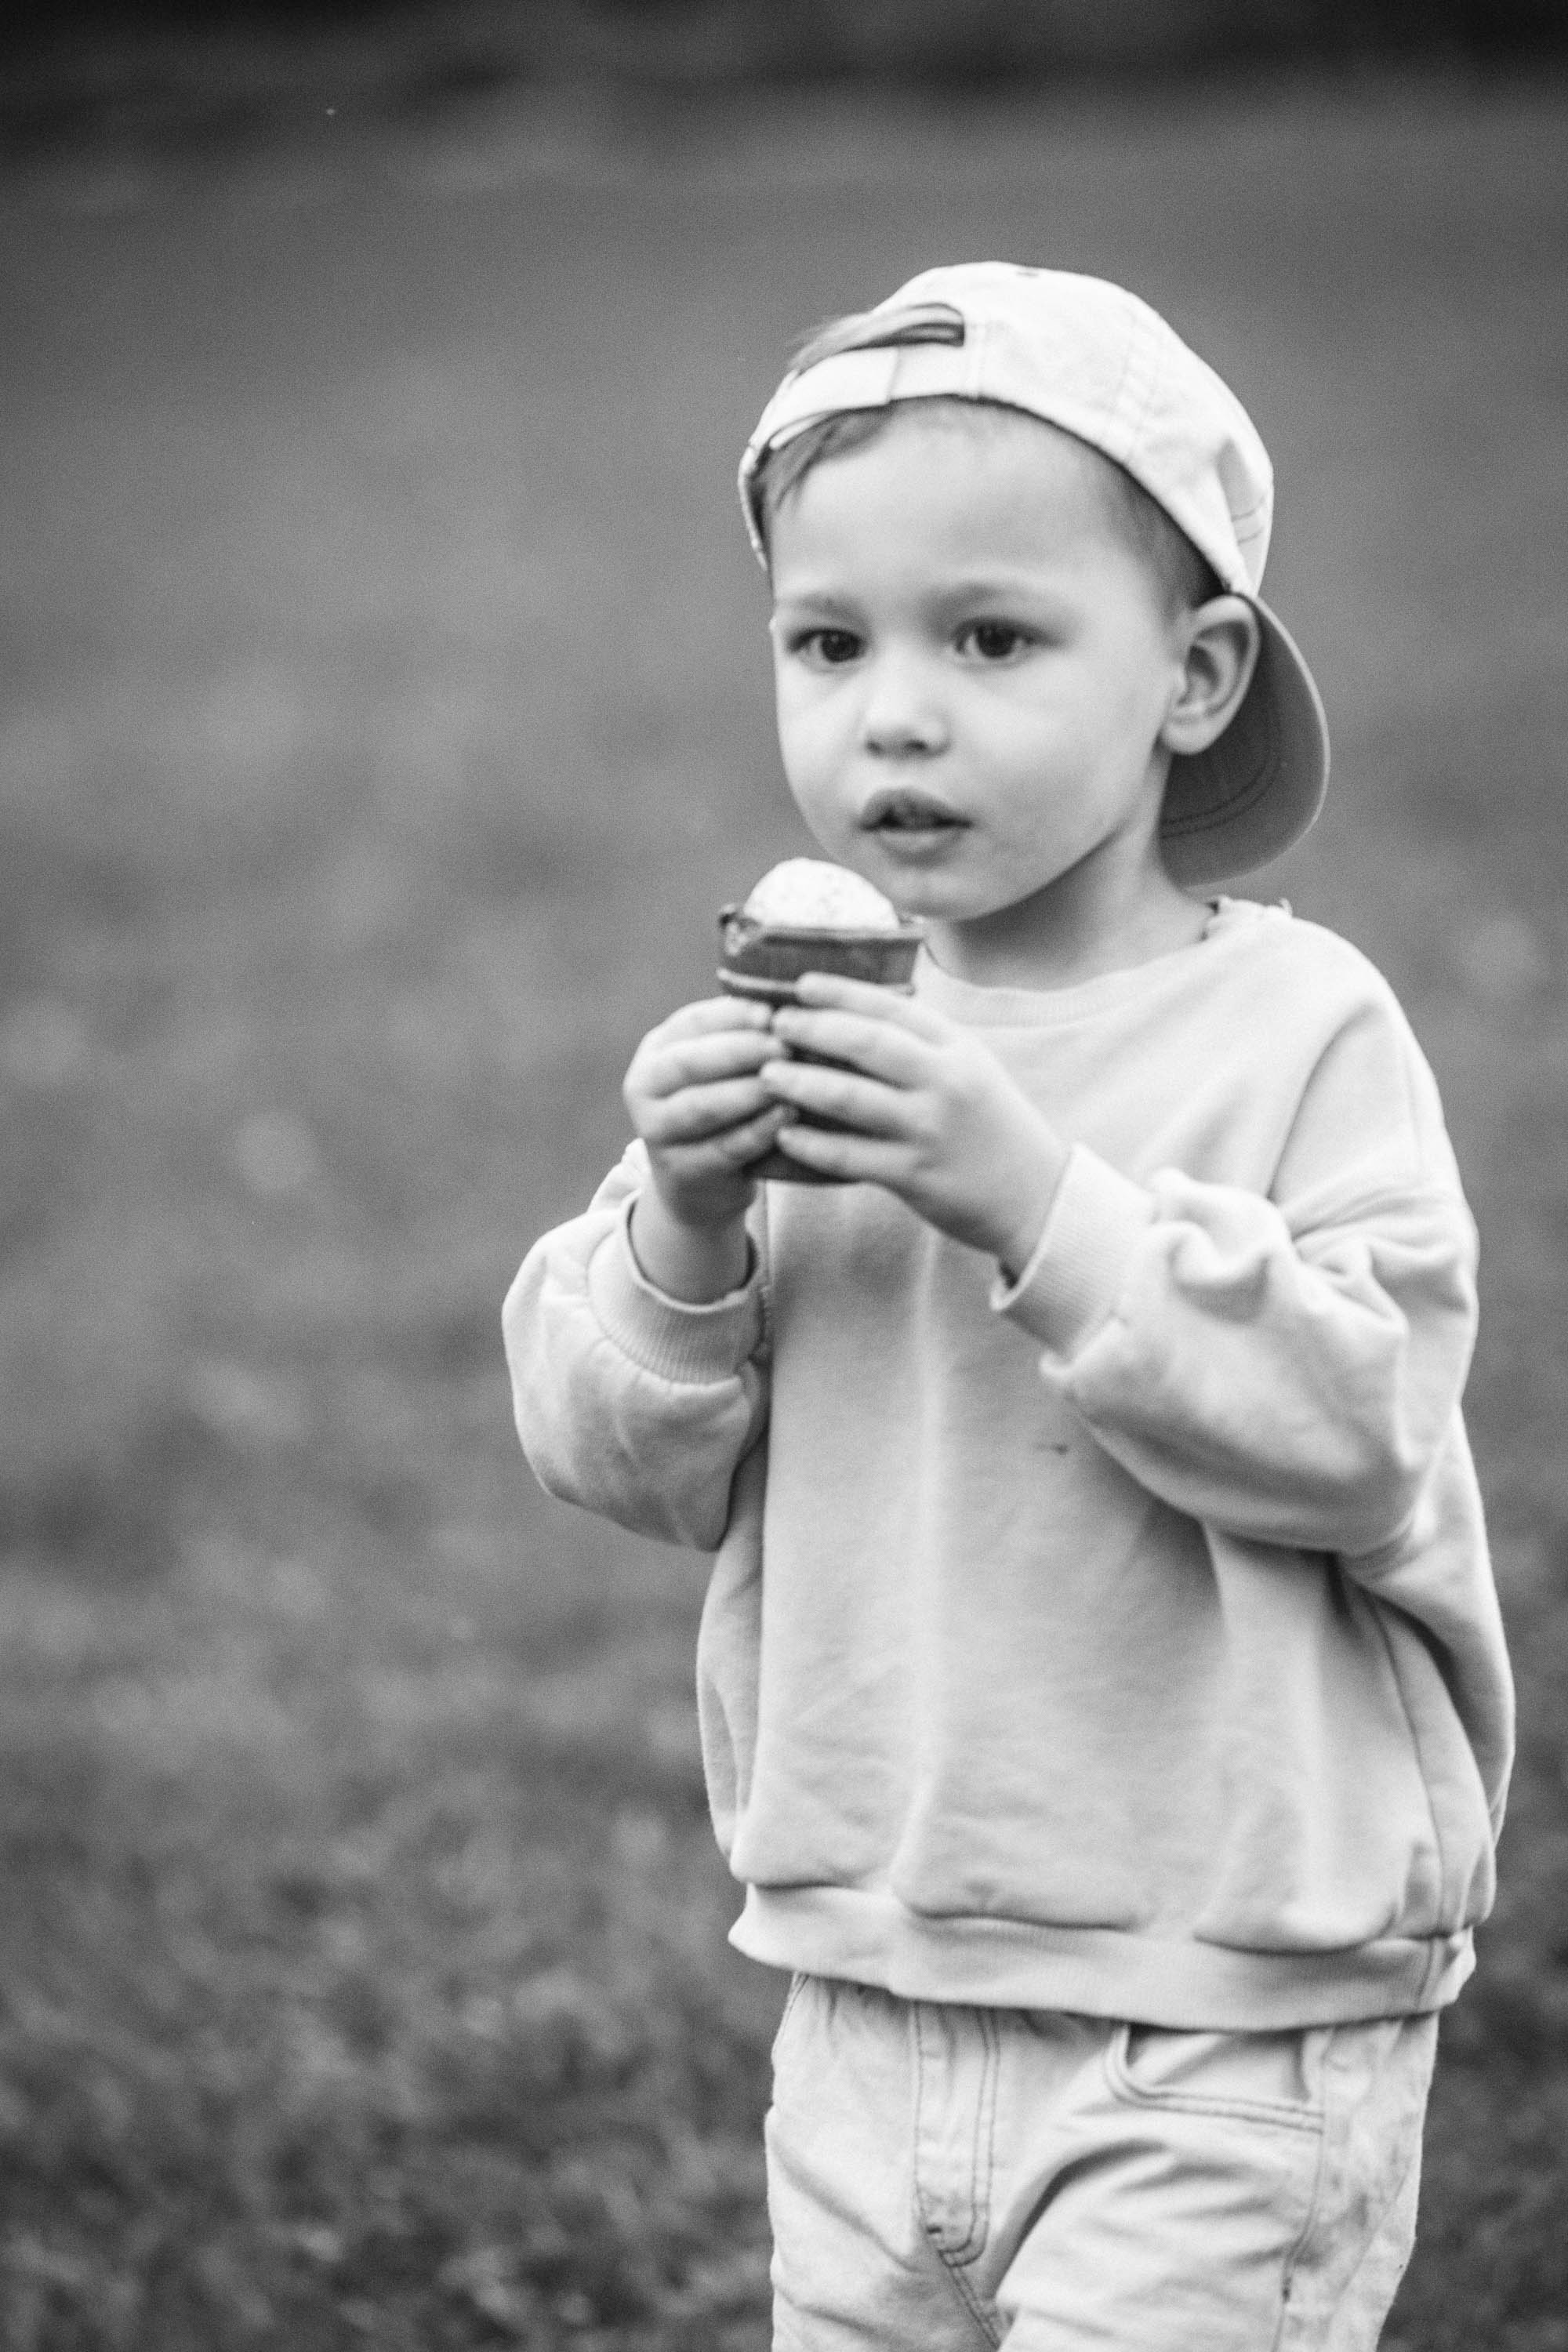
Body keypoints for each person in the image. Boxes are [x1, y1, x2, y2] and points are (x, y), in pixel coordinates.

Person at [503, 263, 1514, 2350]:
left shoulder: (1297, 1031)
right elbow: (616, 1458)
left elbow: (1363, 1428)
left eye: (991, 637)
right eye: (826, 642)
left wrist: (1036, 1201)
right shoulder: (804, 1043)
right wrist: (680, 1225)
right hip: (870, 2001)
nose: (893, 711)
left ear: (1196, 675)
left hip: (1221, 2013)